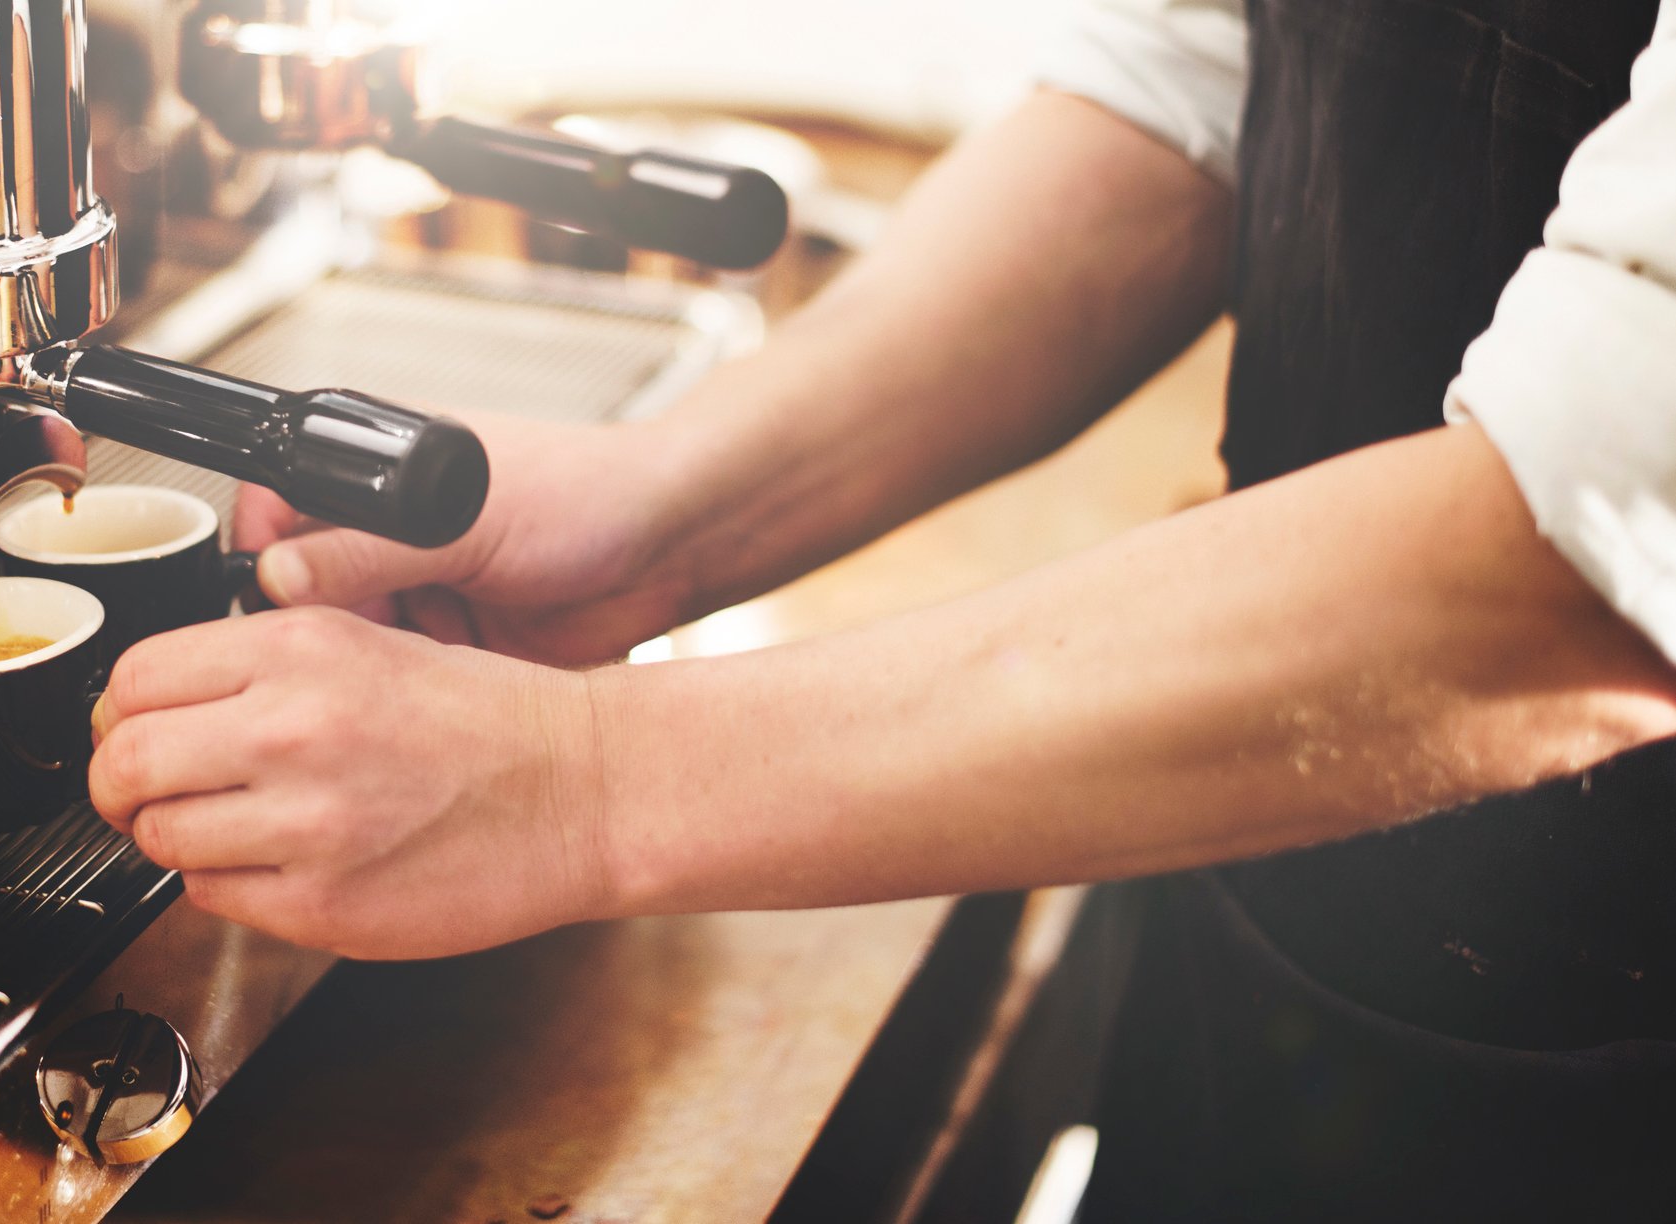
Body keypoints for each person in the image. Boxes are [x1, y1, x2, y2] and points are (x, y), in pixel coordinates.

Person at [88, 0, 1676, 1214]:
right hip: (1284, 923)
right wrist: (670, 509)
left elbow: (1581, 535)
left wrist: (582, 785)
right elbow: (1213, 75)